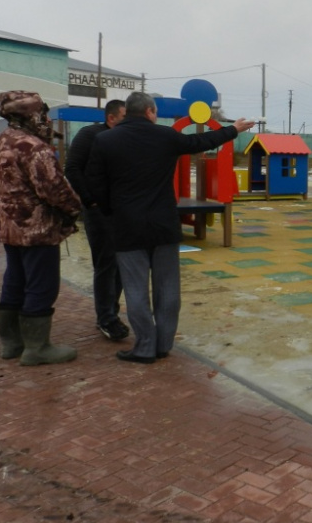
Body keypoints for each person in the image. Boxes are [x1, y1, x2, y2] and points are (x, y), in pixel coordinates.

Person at [85, 92, 254, 364]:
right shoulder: (165, 136)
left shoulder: (105, 140)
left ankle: (144, 346)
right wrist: (233, 129)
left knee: (136, 289)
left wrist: (111, 211)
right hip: (163, 224)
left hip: (127, 227)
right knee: (167, 288)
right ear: (150, 111)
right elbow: (202, 141)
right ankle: (164, 344)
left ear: (128, 111)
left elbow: (95, 184)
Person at [0, 90, 81, 366]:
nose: (47, 119)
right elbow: (54, 189)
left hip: (10, 227)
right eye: (43, 113)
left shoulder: (1, 141)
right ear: (31, 115)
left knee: (14, 280)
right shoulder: (34, 148)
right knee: (42, 284)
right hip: (37, 229)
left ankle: (12, 343)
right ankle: (37, 348)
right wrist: (75, 208)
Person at [64, 99, 130, 341]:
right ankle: (106, 318)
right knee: (106, 262)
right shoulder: (90, 135)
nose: (129, 122)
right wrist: (90, 200)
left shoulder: (125, 139)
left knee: (121, 263)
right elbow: (72, 168)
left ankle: (110, 312)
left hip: (122, 211)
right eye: (124, 117)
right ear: (111, 118)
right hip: (99, 211)